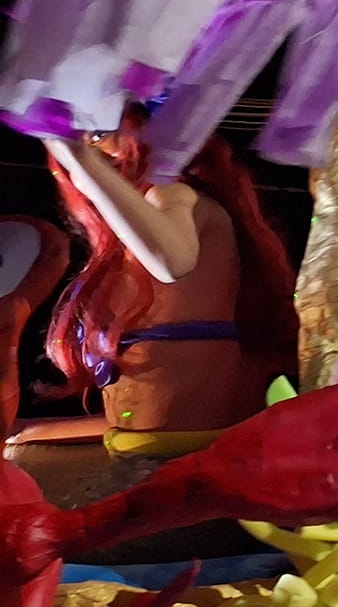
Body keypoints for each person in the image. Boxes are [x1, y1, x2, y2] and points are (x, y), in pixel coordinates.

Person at [34, 108, 297, 451]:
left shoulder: (176, 196)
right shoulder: (123, 245)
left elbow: (171, 262)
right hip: (142, 451)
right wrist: (36, 432)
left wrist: (80, 160)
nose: (93, 148)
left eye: (99, 132)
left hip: (195, 456)